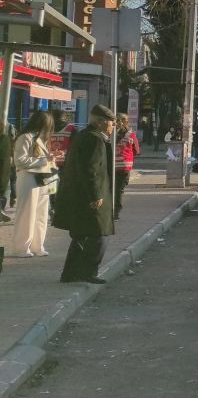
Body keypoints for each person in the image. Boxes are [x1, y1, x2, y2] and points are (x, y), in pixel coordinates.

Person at [58, 104, 117, 284]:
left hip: (79, 194)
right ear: (101, 122)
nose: (113, 127)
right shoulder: (95, 140)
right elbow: (91, 170)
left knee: (81, 234)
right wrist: (96, 194)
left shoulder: (84, 135)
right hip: (91, 195)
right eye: (111, 123)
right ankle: (88, 271)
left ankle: (70, 273)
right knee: (100, 234)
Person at [11, 111, 56, 256]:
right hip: (28, 178)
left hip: (42, 179)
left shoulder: (40, 138)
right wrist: (45, 159)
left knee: (41, 214)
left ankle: (38, 246)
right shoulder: (25, 137)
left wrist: (50, 159)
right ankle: (22, 248)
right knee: (27, 214)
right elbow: (20, 160)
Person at [113, 113, 140, 221]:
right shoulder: (131, 134)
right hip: (124, 166)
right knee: (119, 190)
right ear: (126, 122)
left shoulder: (112, 133)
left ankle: (110, 210)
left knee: (111, 188)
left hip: (113, 164)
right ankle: (116, 213)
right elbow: (137, 150)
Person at [0, 121, 13, 223]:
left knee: (5, 191)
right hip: (3, 171)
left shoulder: (4, 139)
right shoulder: (4, 139)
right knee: (4, 191)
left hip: (4, 170)